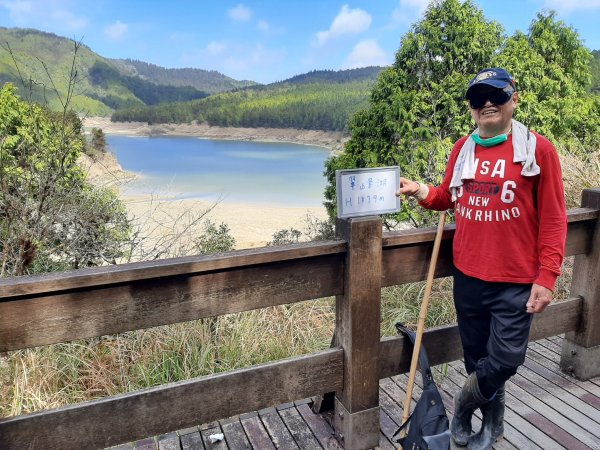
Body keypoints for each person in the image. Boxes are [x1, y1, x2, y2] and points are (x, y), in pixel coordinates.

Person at [396, 68, 567, 450]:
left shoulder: (538, 150)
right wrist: (420, 189)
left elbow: (555, 218)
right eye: (478, 98)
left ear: (514, 99)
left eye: (496, 95)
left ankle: (463, 405)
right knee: (476, 359)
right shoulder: (463, 149)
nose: (487, 103)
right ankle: (493, 421)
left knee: (505, 360)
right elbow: (448, 197)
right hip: (469, 276)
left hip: (516, 280)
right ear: (472, 108)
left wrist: (548, 276)